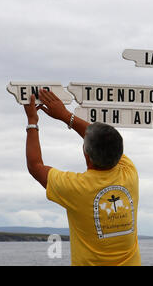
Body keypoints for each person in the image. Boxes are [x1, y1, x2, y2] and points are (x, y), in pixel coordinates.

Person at [23, 89, 140, 266]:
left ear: (86, 155)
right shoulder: (129, 173)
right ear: (120, 152)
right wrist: (65, 115)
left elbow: (35, 166)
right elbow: (101, 139)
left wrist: (33, 121)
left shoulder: (76, 188)